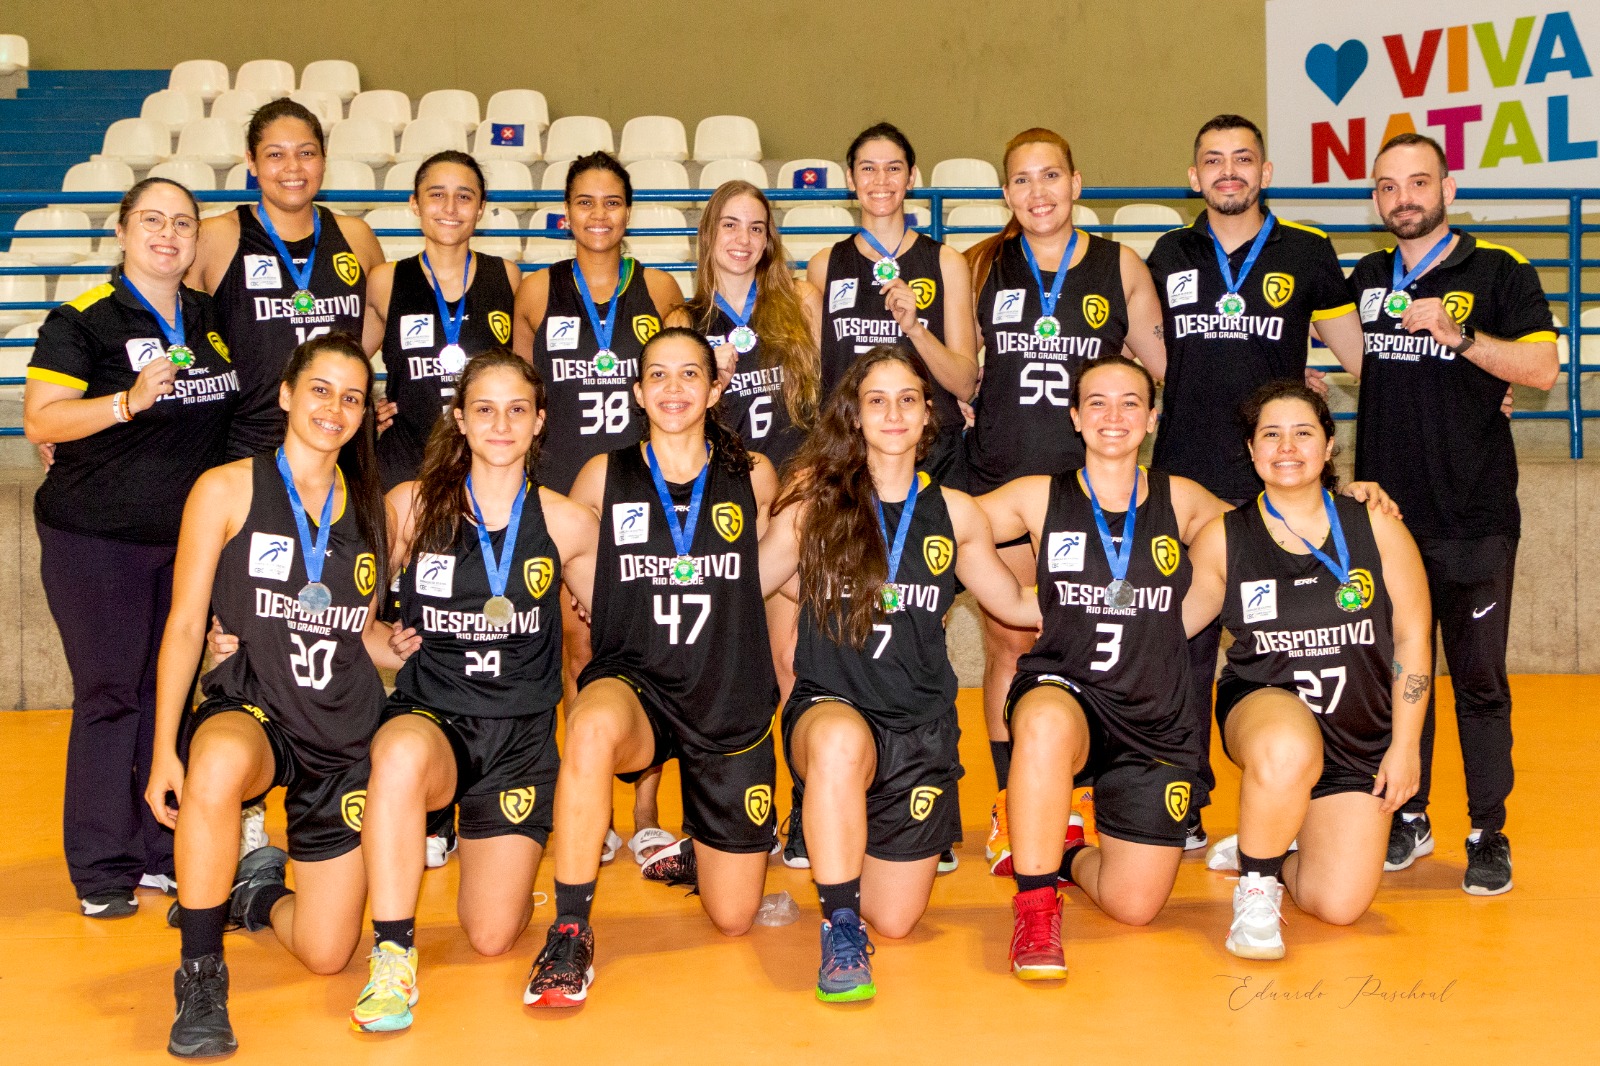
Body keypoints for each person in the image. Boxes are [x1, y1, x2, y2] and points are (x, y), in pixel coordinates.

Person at [759, 345, 1039, 1002]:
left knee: (899, 917)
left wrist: (1126, 595)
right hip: (833, 704)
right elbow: (738, 583)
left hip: (920, 729)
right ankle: (839, 923)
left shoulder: (958, 515)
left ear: (926, 416)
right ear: (855, 415)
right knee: (836, 743)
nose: (892, 412)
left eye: (907, 399)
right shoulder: (812, 508)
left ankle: (861, 897)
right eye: (876, 399)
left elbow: (1016, 606)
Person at [145, 335, 397, 1057]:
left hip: (341, 730)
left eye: (351, 397)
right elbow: (188, 622)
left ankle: (253, 893)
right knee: (216, 765)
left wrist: (405, 646)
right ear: (286, 393)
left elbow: (360, 631)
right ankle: (200, 974)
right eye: (320, 389)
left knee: (326, 953)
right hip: (253, 706)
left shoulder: (372, 512)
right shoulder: (225, 488)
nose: (334, 408)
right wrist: (167, 749)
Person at [522, 328, 778, 1008]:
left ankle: (708, 846)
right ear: (636, 391)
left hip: (727, 694)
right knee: (589, 725)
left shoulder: (752, 473)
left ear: (715, 387)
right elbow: (570, 563)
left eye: (690, 374)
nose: (673, 388)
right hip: (640, 684)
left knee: (732, 918)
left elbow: (767, 579)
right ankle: (571, 927)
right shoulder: (606, 475)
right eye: (657, 376)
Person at [356, 350, 597, 1031]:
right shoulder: (410, 507)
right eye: (484, 409)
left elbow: (619, 625)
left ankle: (500, 860)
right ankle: (392, 955)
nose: (500, 423)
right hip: (433, 719)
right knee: (397, 755)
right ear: (459, 419)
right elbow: (345, 607)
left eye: (517, 410)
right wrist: (376, 641)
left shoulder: (569, 523)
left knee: (492, 936)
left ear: (539, 421)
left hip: (520, 737)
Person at [1145, 114, 1363, 850]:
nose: (1228, 170)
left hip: (1281, 483)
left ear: (1266, 172)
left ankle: (1296, 803)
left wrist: (1463, 388)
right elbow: (1136, 351)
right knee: (1184, 647)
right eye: (1213, 160)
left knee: (1295, 645)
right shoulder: (1169, 251)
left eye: (1243, 159)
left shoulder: (1308, 251)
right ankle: (1184, 800)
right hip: (1184, 479)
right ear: (1193, 176)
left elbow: (1366, 359)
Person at [22, 177, 237, 919]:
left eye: (182, 223)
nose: (168, 235)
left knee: (168, 694)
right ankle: (101, 867)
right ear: (122, 231)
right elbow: (42, 423)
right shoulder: (81, 319)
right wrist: (125, 402)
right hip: (96, 541)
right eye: (152, 220)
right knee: (112, 695)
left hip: (184, 543)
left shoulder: (209, 318)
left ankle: (157, 847)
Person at [1349, 133, 1558, 893]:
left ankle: (1487, 831)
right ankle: (1411, 817)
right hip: (1386, 519)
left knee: (1477, 682)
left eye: (1417, 182)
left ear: (1448, 186)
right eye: (1387, 186)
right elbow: (1359, 364)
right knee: (1402, 675)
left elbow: (1539, 369)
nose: (1403, 197)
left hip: (1472, 518)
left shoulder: (1499, 270)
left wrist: (1462, 337)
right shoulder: (1369, 275)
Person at [975, 356, 1224, 979]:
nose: (1114, 416)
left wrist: (1351, 499)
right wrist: (861, 483)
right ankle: (1035, 907)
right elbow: (943, 520)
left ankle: (1064, 851)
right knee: (1043, 723)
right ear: (1075, 416)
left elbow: (1274, 525)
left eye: (1131, 403)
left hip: (1152, 712)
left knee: (1134, 905)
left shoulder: (1183, 498)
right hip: (1068, 688)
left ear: (1152, 417)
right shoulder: (1039, 496)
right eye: (1098, 403)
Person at [961, 127, 1165, 876]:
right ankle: (1014, 805)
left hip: (1097, 492)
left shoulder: (1120, 266)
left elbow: (1173, 367)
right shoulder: (982, 265)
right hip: (1006, 481)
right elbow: (952, 362)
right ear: (1006, 192)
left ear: (1077, 182)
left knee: (1088, 645)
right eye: (1021, 179)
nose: (1038, 192)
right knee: (1012, 646)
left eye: (1051, 176)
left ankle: (1084, 793)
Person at [1187, 380, 1430, 960]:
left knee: (1339, 905)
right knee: (1288, 750)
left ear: (1327, 447)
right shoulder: (1224, 538)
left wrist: (1405, 747)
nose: (1286, 446)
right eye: (1270, 434)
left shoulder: (1378, 526)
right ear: (1251, 450)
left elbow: (1414, 638)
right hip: (1265, 707)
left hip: (1357, 737)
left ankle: (1266, 837)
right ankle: (1257, 887)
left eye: (1303, 433)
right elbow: (1168, 624)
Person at [511, 151, 682, 860]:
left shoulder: (662, 288)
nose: (599, 216)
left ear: (628, 212)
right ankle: (591, 804)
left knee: (646, 648)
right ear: (566, 212)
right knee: (576, 647)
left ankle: (644, 805)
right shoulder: (534, 291)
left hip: (640, 495)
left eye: (612, 202)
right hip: (557, 497)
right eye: (585, 202)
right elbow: (522, 394)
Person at [667, 179, 822, 807]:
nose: (744, 239)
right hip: (721, 505)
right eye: (730, 225)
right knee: (719, 674)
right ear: (709, 235)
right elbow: (670, 417)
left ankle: (807, 810)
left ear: (769, 241)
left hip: (792, 495)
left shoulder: (800, 304)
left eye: (757, 228)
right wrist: (713, 387)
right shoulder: (684, 319)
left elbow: (828, 404)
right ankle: (716, 813)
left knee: (789, 662)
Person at [188, 98, 384, 461]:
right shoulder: (216, 236)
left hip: (337, 437)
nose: (293, 168)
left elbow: (377, 325)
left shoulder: (356, 236)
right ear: (251, 161)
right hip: (248, 442)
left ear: (324, 159)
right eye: (275, 155)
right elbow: (164, 327)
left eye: (306, 153)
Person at [806, 121, 977, 485]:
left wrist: (915, 329)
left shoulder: (946, 262)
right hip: (850, 450)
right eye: (868, 168)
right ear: (850, 179)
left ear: (911, 177)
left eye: (893, 168)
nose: (880, 180)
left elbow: (964, 384)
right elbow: (822, 375)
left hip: (931, 452)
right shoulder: (825, 265)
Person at [366, 151, 523, 489]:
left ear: (480, 208)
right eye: (436, 194)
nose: (450, 207)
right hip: (405, 468)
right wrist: (365, 411)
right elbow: (344, 361)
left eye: (464, 196)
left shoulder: (506, 276)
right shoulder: (385, 280)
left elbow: (525, 375)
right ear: (415, 203)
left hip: (484, 466)